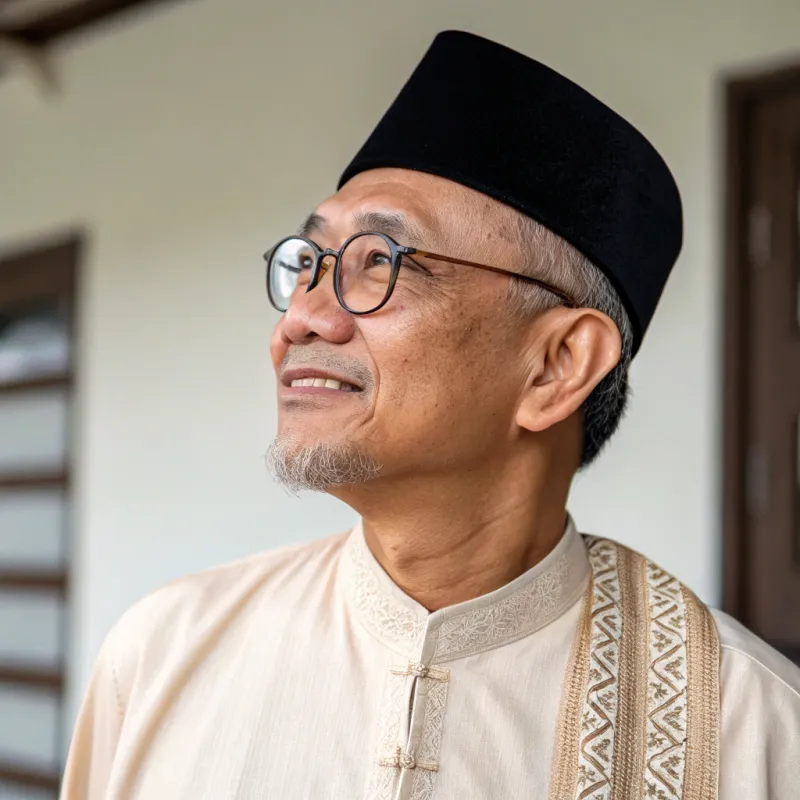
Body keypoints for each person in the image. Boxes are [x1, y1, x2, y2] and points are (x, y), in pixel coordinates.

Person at [61, 30, 800, 800]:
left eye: (378, 261)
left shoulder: (757, 735)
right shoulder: (162, 656)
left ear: (557, 365)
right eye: (309, 265)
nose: (303, 321)